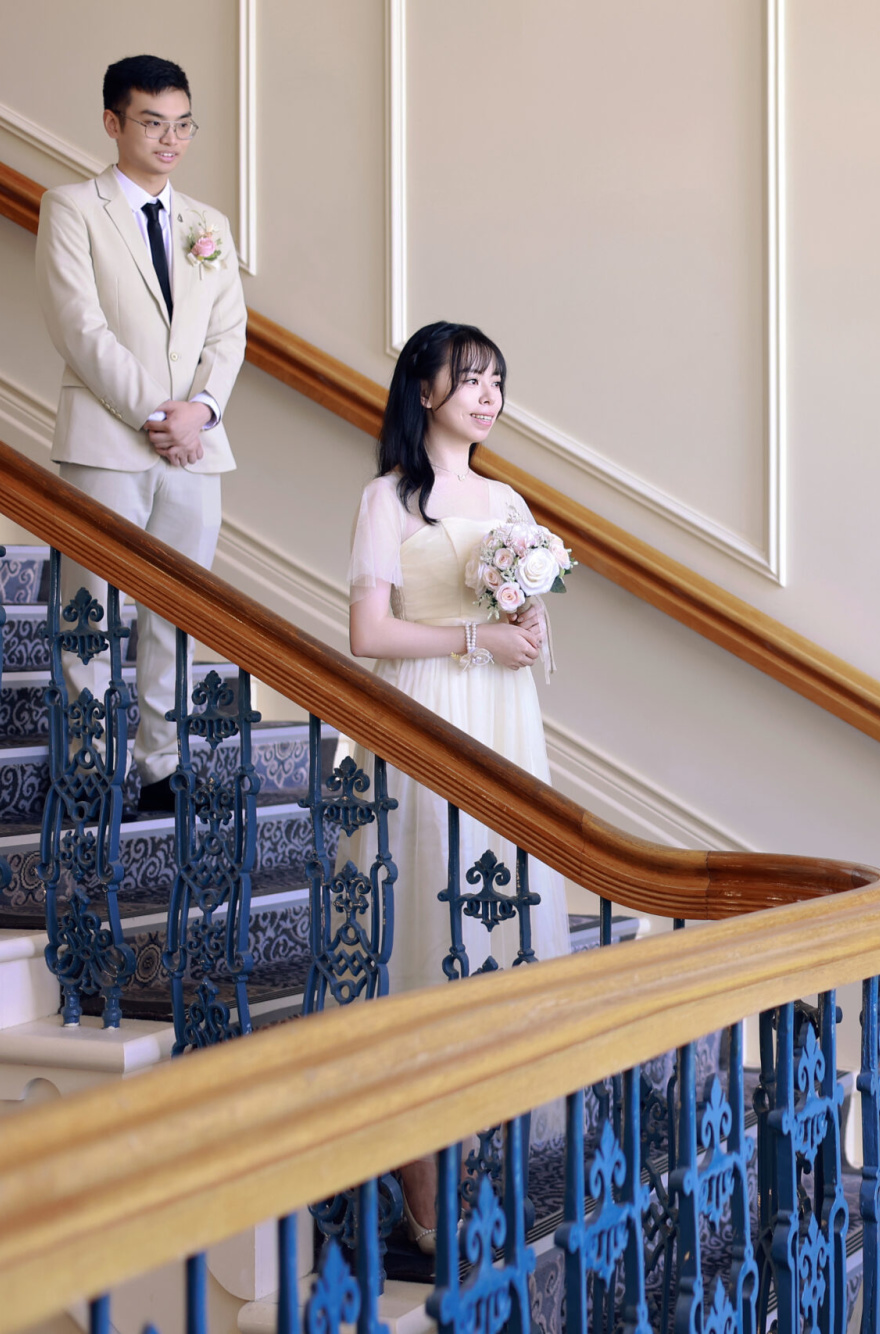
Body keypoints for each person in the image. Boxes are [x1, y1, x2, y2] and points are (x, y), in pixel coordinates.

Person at [342, 320, 570, 1248]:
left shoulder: (509, 499)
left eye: (497, 381)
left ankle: (477, 1149)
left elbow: (528, 622)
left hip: (507, 722)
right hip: (428, 711)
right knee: (428, 923)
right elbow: (369, 633)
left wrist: (526, 618)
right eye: (469, 378)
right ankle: (421, 1173)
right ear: (424, 389)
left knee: (496, 920)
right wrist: (477, 639)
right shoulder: (388, 498)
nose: (487, 395)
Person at [34, 55, 247, 811]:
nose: (170, 139)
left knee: (177, 606)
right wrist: (161, 416)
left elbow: (229, 336)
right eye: (153, 122)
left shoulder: (208, 225)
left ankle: (162, 763)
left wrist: (203, 412)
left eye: (183, 124)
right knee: (90, 607)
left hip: (197, 447)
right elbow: (80, 328)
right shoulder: (70, 207)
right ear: (113, 122)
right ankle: (91, 766)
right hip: (107, 439)